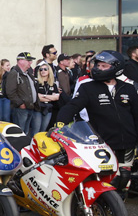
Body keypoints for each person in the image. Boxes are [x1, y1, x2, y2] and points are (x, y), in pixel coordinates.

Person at [57, 51, 138, 199]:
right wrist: (59, 124)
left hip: (127, 142)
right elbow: (71, 107)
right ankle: (103, 212)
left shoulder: (129, 88)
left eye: (103, 66)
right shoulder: (88, 88)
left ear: (116, 68)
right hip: (102, 143)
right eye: (97, 65)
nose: (98, 68)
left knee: (124, 178)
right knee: (107, 180)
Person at [6, 52, 39, 135]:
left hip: (29, 107)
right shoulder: (14, 73)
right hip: (21, 108)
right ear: (20, 61)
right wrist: (20, 103)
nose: (30, 62)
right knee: (20, 132)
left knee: (26, 131)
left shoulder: (27, 74)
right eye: (28, 60)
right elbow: (10, 92)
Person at [35, 63, 60, 133]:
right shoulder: (36, 83)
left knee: (44, 130)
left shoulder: (53, 84)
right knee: (36, 129)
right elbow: (37, 97)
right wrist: (50, 97)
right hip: (38, 108)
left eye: (45, 69)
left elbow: (57, 97)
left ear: (49, 71)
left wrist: (44, 96)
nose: (43, 71)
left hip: (48, 109)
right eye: (41, 69)